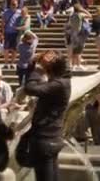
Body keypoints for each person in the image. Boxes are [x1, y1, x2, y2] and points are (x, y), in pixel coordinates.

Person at [24, 52, 72, 181]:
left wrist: (37, 70)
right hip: (52, 137)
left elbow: (30, 89)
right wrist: (34, 64)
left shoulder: (59, 84)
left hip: (45, 138)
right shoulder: (61, 81)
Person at [65, 5, 92, 70]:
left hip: (73, 34)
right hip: (79, 34)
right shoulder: (80, 14)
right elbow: (90, 16)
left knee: (74, 51)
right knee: (79, 51)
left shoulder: (71, 15)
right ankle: (79, 65)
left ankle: (74, 65)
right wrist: (84, 10)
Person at [2, 0, 20, 70]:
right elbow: (3, 22)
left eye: (15, 4)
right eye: (12, 4)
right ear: (10, 5)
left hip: (15, 33)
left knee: (14, 49)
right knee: (6, 48)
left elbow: (22, 20)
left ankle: (12, 63)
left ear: (17, 5)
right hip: (7, 32)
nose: (14, 5)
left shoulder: (19, 12)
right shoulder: (6, 12)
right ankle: (6, 63)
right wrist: (2, 32)